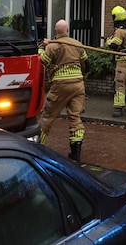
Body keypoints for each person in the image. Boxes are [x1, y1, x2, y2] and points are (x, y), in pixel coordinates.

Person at [36, 19, 87, 161]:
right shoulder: (77, 44)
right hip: (78, 85)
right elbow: (86, 65)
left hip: (60, 86)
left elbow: (43, 61)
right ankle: (75, 154)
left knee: (47, 116)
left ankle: (38, 148)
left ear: (55, 31)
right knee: (75, 118)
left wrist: (41, 47)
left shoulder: (52, 46)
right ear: (68, 30)